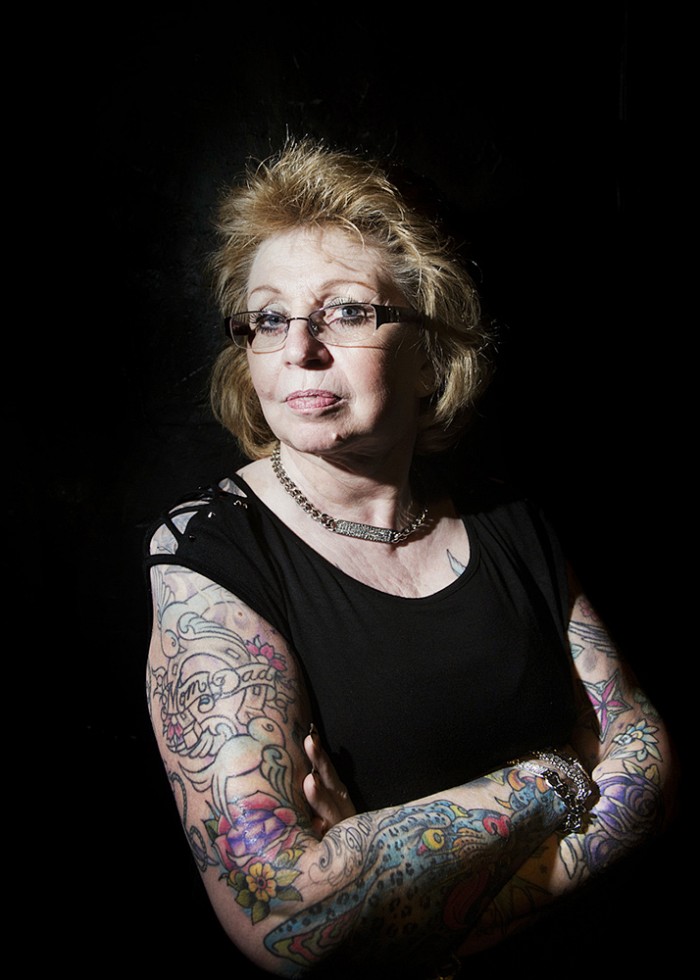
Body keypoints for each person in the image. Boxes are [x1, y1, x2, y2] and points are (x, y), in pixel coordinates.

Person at [144, 139, 676, 978]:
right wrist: (554, 782)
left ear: (429, 351)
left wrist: (408, 906)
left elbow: (650, 768)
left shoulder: (508, 518)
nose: (299, 348)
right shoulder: (211, 552)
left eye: (347, 312)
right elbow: (284, 913)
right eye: (269, 318)